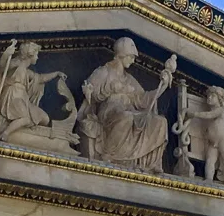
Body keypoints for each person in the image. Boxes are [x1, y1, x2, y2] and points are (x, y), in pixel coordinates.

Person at [75, 37, 175, 171]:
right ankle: (109, 154)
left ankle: (151, 163)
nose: (133, 61)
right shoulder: (104, 72)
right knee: (126, 117)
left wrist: (162, 86)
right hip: (110, 111)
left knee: (160, 121)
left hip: (130, 111)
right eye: (131, 57)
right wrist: (93, 90)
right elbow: (91, 92)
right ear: (122, 55)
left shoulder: (130, 79)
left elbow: (143, 99)